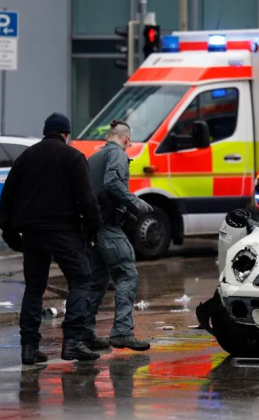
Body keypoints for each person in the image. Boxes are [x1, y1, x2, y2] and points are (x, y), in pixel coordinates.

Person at [0, 112, 102, 365]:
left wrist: (9, 232)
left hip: (32, 233)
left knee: (34, 288)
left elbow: (7, 196)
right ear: (66, 133)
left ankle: (29, 348)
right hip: (63, 230)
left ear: (46, 131)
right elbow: (87, 199)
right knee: (81, 279)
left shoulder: (26, 157)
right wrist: (94, 229)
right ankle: (74, 342)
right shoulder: (72, 157)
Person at [83, 119, 153, 351]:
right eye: (129, 141)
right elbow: (112, 182)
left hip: (92, 229)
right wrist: (135, 202)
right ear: (125, 138)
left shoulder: (94, 158)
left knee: (97, 280)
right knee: (127, 274)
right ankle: (122, 331)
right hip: (108, 227)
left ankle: (85, 333)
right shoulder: (118, 155)